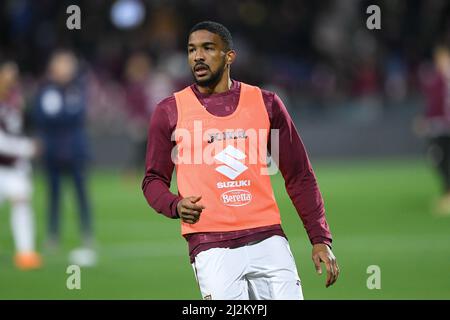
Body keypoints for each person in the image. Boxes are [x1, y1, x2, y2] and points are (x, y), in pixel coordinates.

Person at [142, 21, 339, 300]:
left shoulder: (267, 103)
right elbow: (152, 181)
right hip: (210, 244)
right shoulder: (169, 111)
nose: (197, 56)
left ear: (229, 56)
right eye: (191, 50)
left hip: (268, 239)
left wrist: (320, 239)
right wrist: (174, 205)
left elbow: (299, 175)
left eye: (208, 48)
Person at [33, 50, 96, 265]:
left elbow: (76, 115)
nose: (66, 70)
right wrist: (64, 117)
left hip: (75, 151)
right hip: (53, 151)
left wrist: (62, 117)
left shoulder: (77, 89)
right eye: (62, 65)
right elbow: (42, 117)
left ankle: (87, 234)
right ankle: (53, 235)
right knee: (54, 195)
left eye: (69, 66)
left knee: (81, 194)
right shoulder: (47, 91)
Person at [0, 59, 41, 270]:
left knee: (22, 205)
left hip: (15, 168)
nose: (11, 81)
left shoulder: (16, 102)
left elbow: (20, 130)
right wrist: (26, 148)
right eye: (7, 75)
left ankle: (26, 253)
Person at [419, 45, 450, 215]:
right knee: (440, 159)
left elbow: (437, 102)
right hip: (441, 125)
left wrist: (427, 120)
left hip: (443, 126)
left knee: (440, 159)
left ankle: (448, 195)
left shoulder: (442, 77)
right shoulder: (441, 77)